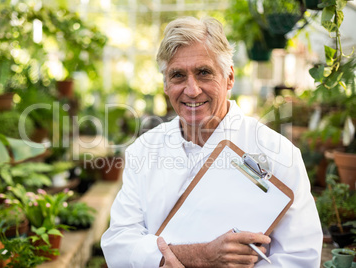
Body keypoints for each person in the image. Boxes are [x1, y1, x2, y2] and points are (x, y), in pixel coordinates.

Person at [101, 16, 322, 267]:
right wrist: (203, 256)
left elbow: (302, 257)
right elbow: (118, 244)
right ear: (165, 85)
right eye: (178, 76)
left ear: (229, 78)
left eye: (204, 72)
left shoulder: (279, 153)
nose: (192, 89)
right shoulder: (143, 150)